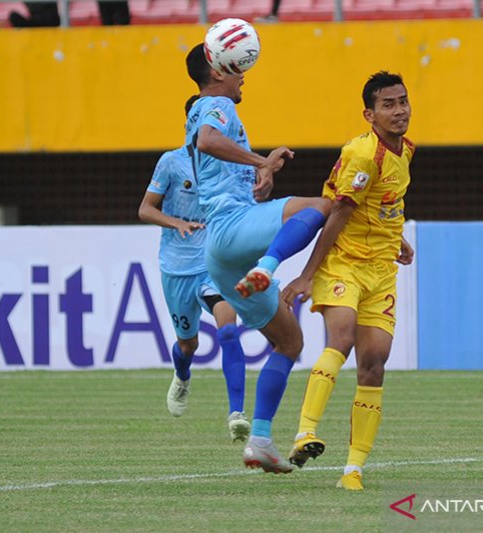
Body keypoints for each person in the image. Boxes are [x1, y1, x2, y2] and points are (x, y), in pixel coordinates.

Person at [185, 43, 331, 473]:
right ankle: (268, 267)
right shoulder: (215, 104)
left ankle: (261, 442)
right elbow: (207, 141)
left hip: (223, 251)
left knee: (290, 342)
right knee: (320, 207)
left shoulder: (212, 107)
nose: (244, 74)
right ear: (217, 71)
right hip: (233, 233)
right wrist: (260, 160)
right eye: (239, 68)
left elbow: (215, 164)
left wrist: (258, 179)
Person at [282, 71, 416, 491]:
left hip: (381, 272)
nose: (399, 110)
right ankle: (305, 432)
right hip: (343, 264)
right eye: (388, 104)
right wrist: (306, 275)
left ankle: (353, 470)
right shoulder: (362, 154)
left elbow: (383, 203)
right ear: (369, 114)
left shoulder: (406, 149)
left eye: (403, 101)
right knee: (339, 340)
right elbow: (339, 213)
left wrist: (398, 238)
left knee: (374, 364)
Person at [138, 95, 250, 443]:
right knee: (187, 345)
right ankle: (182, 375)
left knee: (228, 331)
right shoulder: (171, 163)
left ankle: (236, 413)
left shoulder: (228, 165)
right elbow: (145, 209)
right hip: (177, 268)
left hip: (213, 264)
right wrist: (176, 223)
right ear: (192, 122)